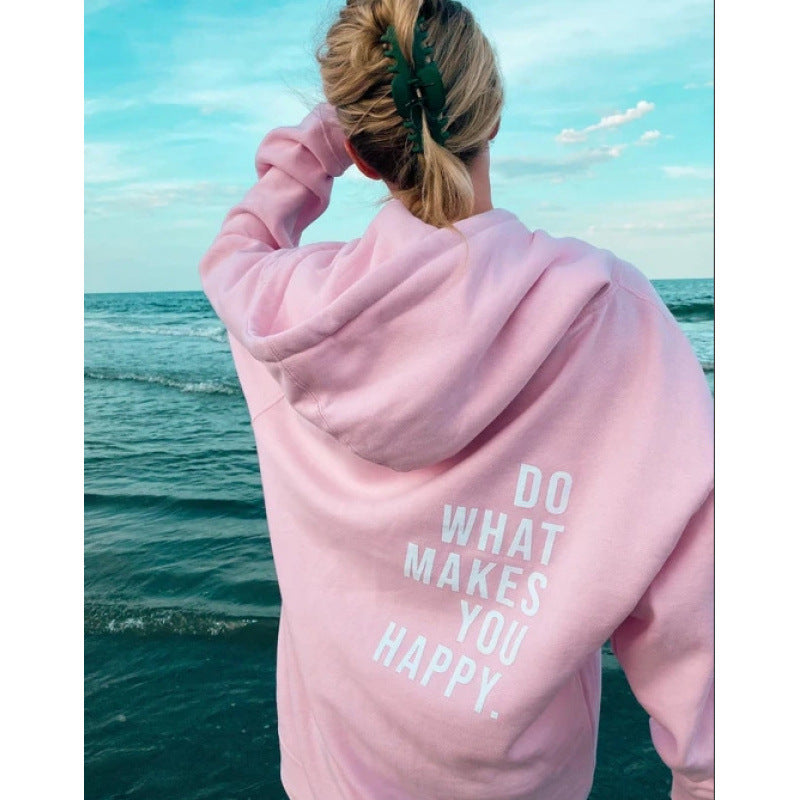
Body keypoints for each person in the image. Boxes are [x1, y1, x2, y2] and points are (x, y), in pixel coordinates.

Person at [198, 1, 714, 798]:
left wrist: (321, 144)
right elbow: (704, 651)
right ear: (492, 112)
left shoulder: (285, 320)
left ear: (363, 155)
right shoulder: (615, 320)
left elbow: (237, 246)